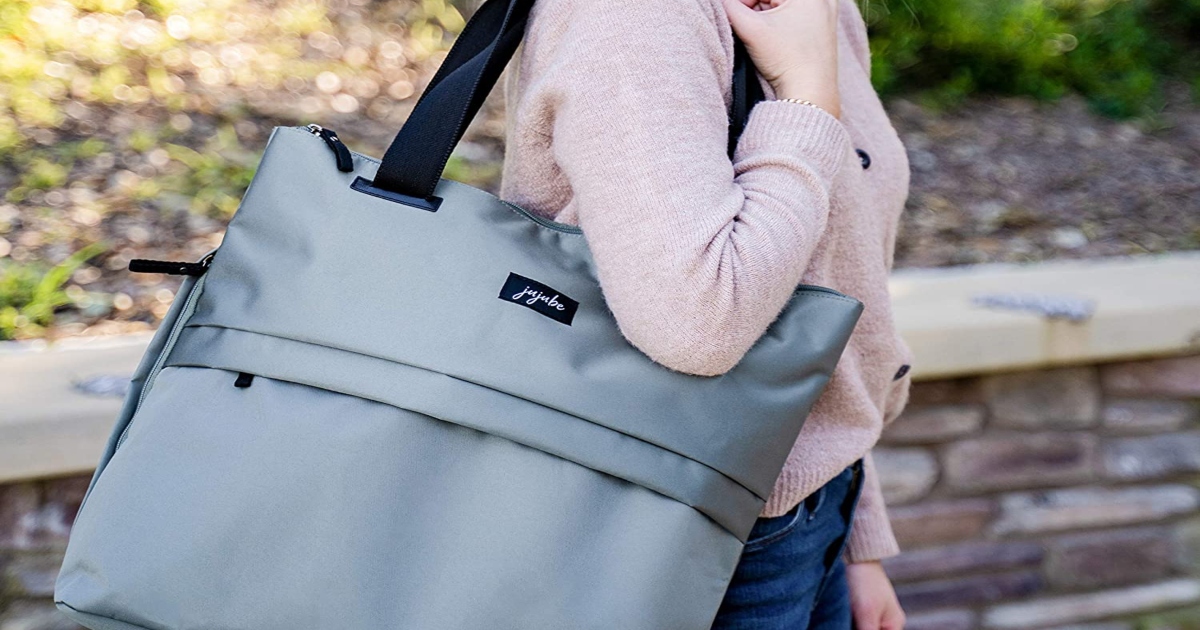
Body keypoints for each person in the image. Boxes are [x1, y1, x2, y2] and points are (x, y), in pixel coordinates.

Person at [498, 0, 913, 627]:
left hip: (808, 511)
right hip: (696, 531)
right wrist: (806, 99)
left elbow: (832, 282)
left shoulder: (820, 9)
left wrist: (858, 539)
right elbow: (699, 321)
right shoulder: (635, 17)